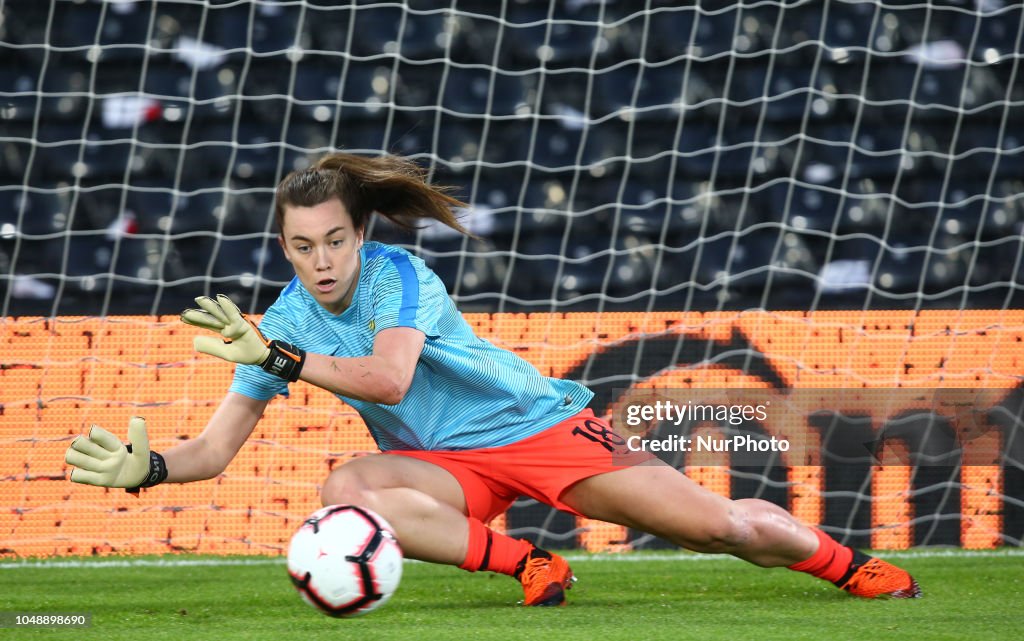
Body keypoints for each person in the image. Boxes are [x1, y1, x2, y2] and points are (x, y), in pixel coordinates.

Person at [64, 152, 921, 605]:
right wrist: (150, 470)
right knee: (346, 491)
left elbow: (390, 380)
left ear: (360, 233)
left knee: (723, 529)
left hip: (540, 430)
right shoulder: (283, 319)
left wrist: (276, 358)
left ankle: (845, 564)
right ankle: (529, 564)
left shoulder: (399, 275)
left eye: (334, 240)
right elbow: (215, 449)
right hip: (449, 468)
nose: (321, 261)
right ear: (283, 247)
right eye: (301, 245)